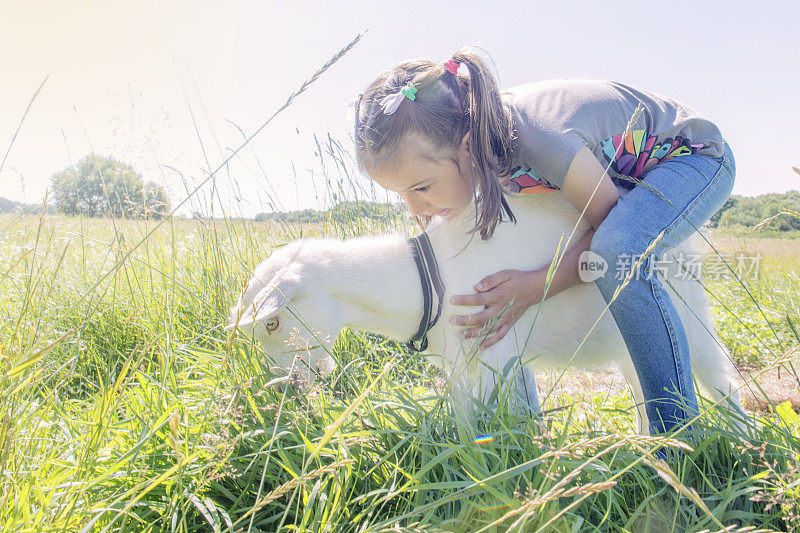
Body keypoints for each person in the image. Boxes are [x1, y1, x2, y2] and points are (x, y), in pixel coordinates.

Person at [351, 46, 735, 435]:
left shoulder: (538, 140)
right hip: (628, 172)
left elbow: (608, 241)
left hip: (694, 158)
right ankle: (518, 430)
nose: (416, 208)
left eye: (421, 187)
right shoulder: (487, 144)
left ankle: (678, 432)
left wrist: (535, 287)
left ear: (466, 146)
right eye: (402, 195)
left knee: (619, 248)